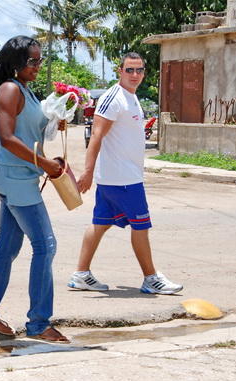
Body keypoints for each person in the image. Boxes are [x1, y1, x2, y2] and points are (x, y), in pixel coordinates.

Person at [0, 36, 69, 344]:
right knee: (45, 245)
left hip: (19, 177)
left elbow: (28, 131)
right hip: (16, 179)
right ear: (16, 63)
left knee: (8, 248)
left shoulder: (25, 90)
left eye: (40, 60)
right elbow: (8, 138)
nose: (38, 66)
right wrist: (43, 162)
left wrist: (53, 125)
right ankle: (39, 323)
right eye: (33, 61)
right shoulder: (10, 89)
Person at [69, 52, 183, 295]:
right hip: (123, 179)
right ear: (119, 71)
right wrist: (87, 171)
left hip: (118, 177)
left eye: (139, 70)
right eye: (129, 70)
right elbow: (97, 135)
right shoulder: (114, 98)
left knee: (100, 224)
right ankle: (151, 278)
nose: (135, 75)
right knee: (140, 225)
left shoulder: (131, 96)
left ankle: (81, 274)